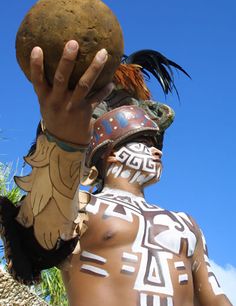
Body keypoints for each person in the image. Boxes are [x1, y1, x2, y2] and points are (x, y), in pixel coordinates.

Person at [0, 40, 232, 306]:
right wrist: (60, 140)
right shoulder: (81, 209)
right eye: (143, 143)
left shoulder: (186, 224)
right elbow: (38, 243)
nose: (156, 152)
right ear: (109, 154)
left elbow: (215, 298)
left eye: (156, 144)